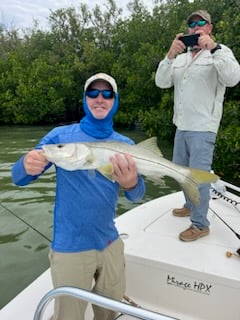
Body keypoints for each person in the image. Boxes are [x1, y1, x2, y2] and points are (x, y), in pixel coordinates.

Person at [11, 73, 146, 320]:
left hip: (110, 243)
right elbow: (19, 177)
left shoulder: (125, 143)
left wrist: (132, 183)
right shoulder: (60, 137)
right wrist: (24, 165)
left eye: (107, 94)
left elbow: (137, 196)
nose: (99, 99)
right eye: (93, 93)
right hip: (70, 247)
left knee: (109, 313)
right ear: (85, 99)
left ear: (115, 101)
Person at [155, 10, 240, 241]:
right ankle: (190, 206)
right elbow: (161, 83)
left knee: (199, 177)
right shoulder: (180, 57)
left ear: (209, 27)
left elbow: (233, 78)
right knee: (182, 174)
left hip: (204, 128)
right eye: (191, 23)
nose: (195, 26)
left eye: (200, 22)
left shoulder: (221, 51)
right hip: (181, 126)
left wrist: (212, 48)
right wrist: (170, 55)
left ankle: (200, 224)